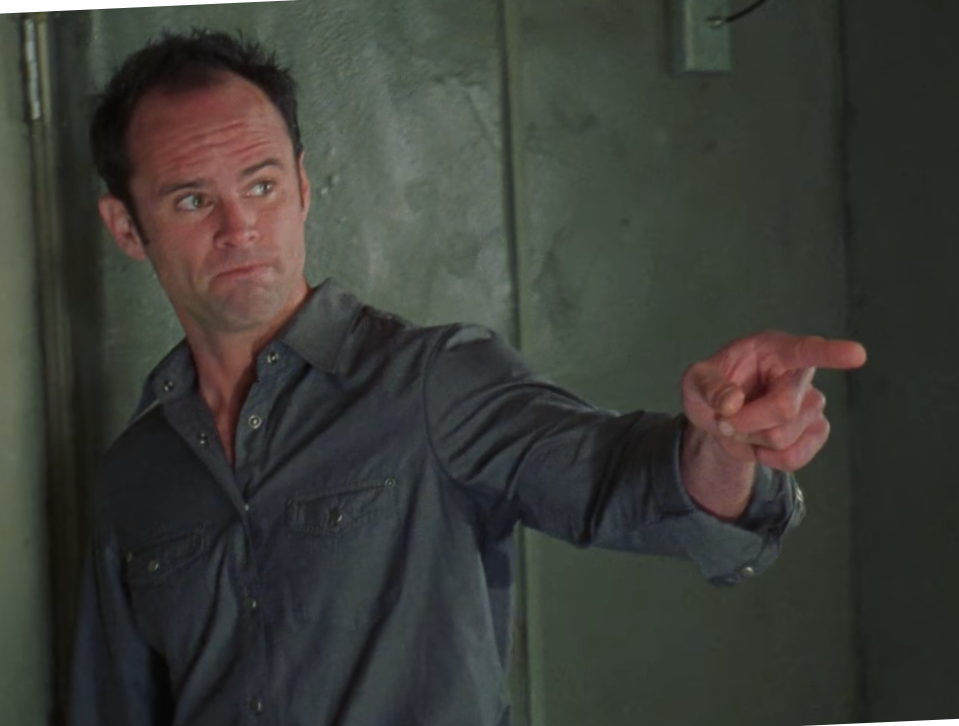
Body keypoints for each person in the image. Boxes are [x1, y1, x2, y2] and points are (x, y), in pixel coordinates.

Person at [68, 29, 867, 726]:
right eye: (192, 200)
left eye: (262, 185)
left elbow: (620, 483)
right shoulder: (135, 473)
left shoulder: (431, 382)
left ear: (303, 188)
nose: (239, 227)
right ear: (127, 229)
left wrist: (720, 446)